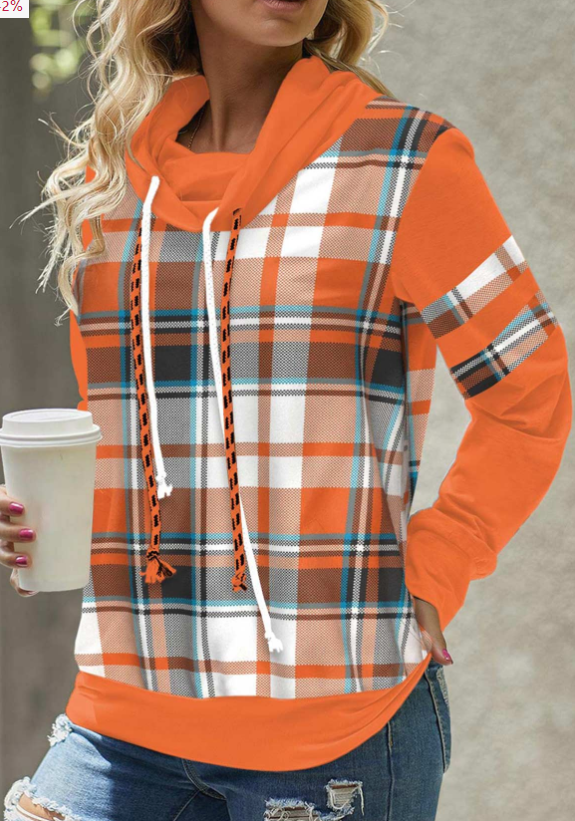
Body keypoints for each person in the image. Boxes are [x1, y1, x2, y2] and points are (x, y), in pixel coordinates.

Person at [2, 1, 571, 819]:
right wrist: (43, 517)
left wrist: (441, 560)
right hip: (122, 716)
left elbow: (529, 389)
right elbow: (131, 440)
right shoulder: (112, 184)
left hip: (336, 737)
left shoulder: (404, 161)